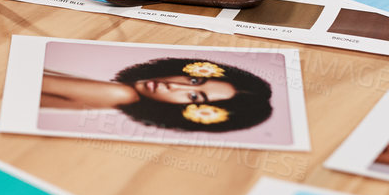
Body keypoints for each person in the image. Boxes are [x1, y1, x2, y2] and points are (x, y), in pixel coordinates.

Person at [40, 57, 275, 133]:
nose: (176, 87)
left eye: (194, 98)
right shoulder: (118, 94)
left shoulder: (118, 93)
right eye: (194, 80)